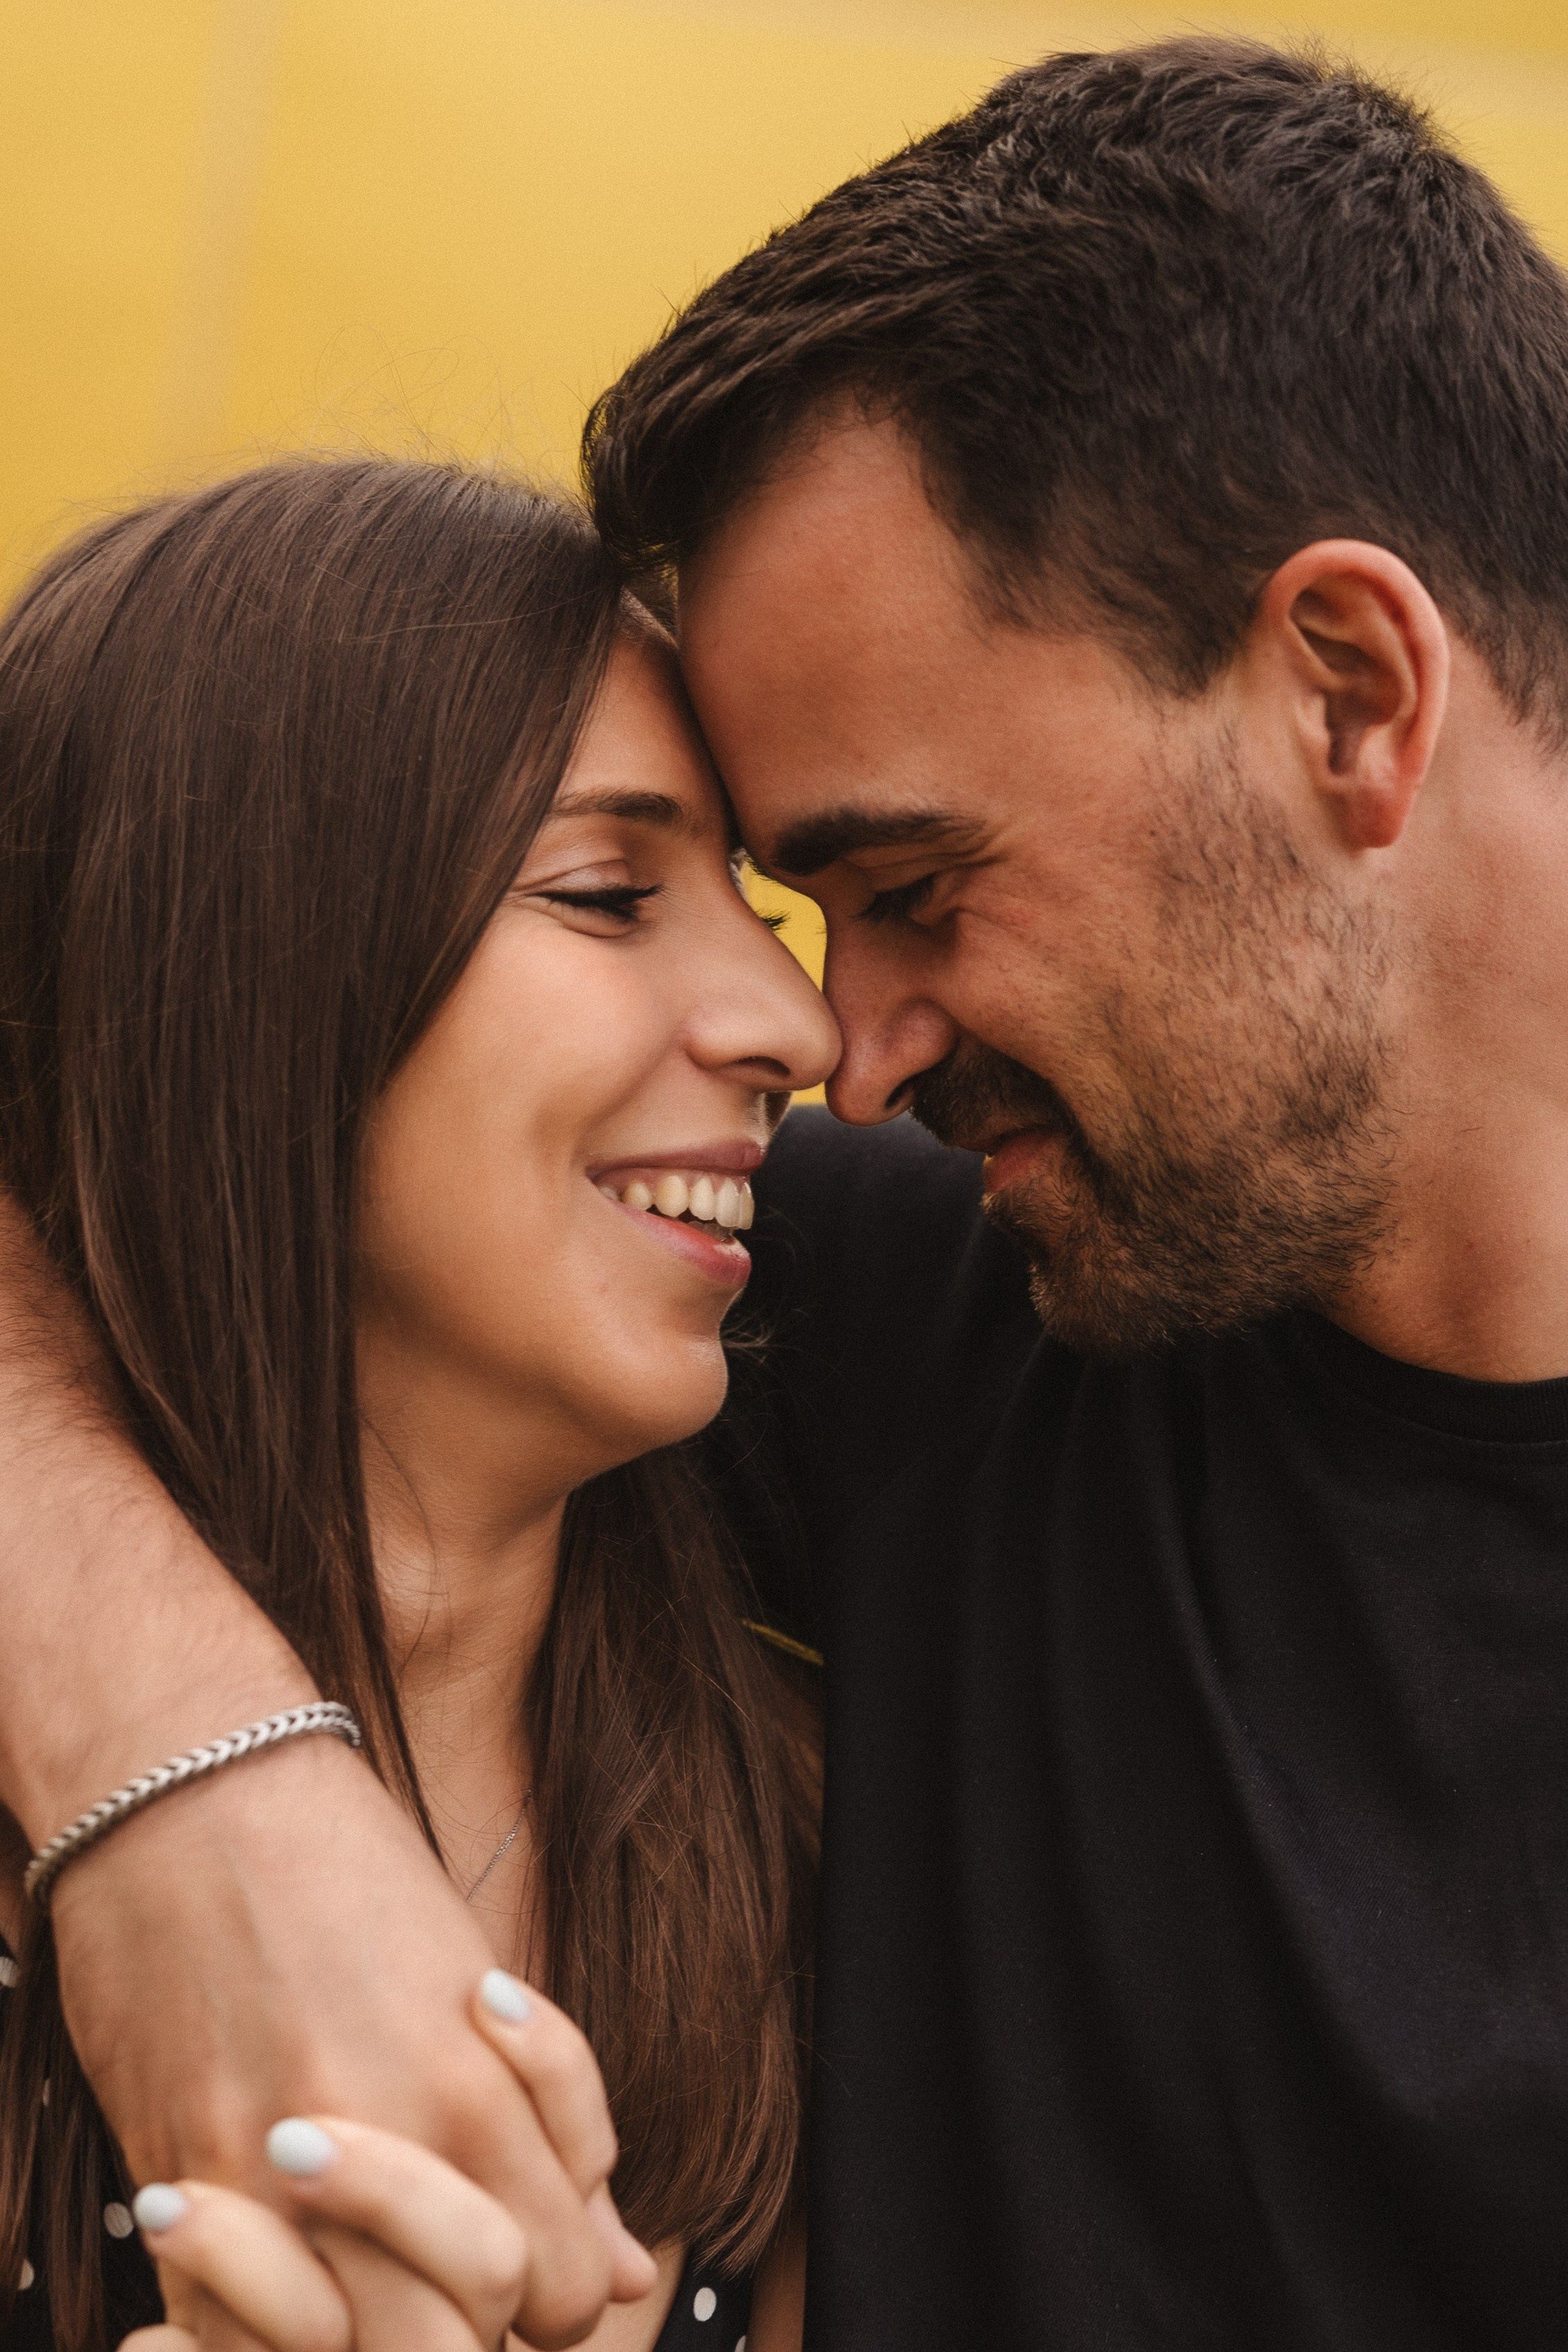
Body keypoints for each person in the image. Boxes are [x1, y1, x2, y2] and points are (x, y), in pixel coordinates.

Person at [4, 26, 1568, 2351]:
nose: (840, 1039)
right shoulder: (949, 1286)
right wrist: (190, 1801)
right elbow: (163, 1105)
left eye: (918, 878)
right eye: (677, 897)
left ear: (1350, 695)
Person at [0, 456, 835, 2351]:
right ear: (246, 963)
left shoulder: (811, 1848)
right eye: (612, 892)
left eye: (762, 912)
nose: (798, 1030)